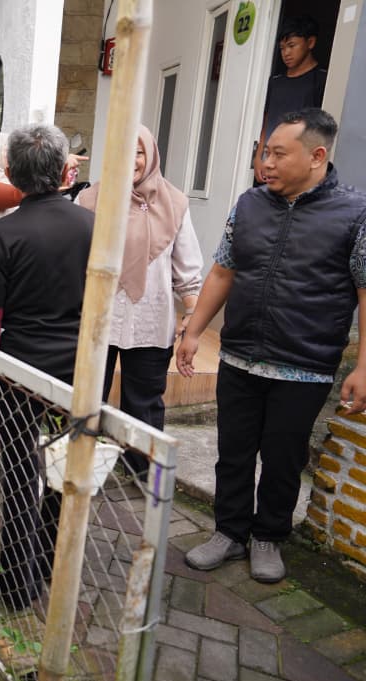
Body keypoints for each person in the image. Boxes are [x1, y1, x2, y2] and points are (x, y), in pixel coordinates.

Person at [180, 109, 366, 583]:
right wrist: (193, 330)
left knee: (284, 459)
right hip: (240, 355)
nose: (266, 162)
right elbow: (223, 270)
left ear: (317, 155)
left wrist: (362, 367)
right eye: (265, 152)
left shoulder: (355, 214)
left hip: (303, 366)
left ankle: (268, 537)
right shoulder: (249, 204)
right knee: (233, 451)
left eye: (279, 153)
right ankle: (229, 532)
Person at [0, 123, 95, 611]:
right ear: (65, 171)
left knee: (21, 473)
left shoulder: (2, 234)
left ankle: (17, 582)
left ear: (12, 177)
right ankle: (49, 566)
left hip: (20, 371)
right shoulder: (92, 226)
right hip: (78, 373)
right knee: (65, 471)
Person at [76, 125, 203, 478]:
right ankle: (82, 466)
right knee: (87, 397)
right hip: (98, 320)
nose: (131, 160)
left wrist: (192, 313)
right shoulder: (88, 200)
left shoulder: (174, 203)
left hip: (151, 319)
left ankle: (141, 473)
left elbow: (188, 270)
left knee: (144, 403)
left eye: (139, 152)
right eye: (122, 150)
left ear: (151, 156)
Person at [253, 16, 327, 184]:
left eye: (292, 45)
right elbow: (267, 121)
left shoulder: (322, 80)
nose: (286, 53)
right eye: (282, 48)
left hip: (296, 167)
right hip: (268, 163)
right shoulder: (276, 82)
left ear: (310, 42)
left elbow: (320, 130)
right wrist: (259, 156)